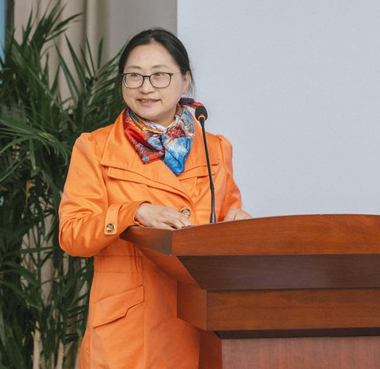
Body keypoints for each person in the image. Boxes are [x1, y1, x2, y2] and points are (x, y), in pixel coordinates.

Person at [58, 28, 250, 368]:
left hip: (199, 317)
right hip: (131, 328)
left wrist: (240, 225)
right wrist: (133, 212)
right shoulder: (95, 148)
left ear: (184, 80)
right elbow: (72, 235)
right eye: (134, 76)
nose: (146, 87)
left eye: (160, 75)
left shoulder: (216, 149)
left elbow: (224, 224)